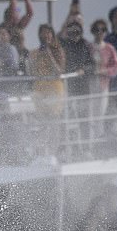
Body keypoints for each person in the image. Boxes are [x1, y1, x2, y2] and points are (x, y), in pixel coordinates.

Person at [27, 23, 66, 154]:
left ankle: (54, 149)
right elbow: (31, 72)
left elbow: (59, 71)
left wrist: (49, 54)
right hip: (39, 89)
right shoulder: (34, 53)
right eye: (43, 32)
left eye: (48, 32)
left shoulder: (58, 50)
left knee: (54, 119)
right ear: (39, 35)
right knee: (42, 120)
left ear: (52, 34)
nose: (46, 35)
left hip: (54, 88)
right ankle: (43, 150)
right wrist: (37, 56)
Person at [59, 17, 95, 152]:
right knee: (68, 120)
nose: (74, 35)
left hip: (83, 89)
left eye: (77, 32)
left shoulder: (86, 45)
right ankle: (71, 149)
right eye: (71, 32)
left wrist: (84, 70)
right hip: (68, 89)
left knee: (84, 120)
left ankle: (86, 149)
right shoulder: (63, 45)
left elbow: (93, 65)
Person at [88, 18, 117, 142]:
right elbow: (84, 63)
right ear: (93, 31)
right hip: (90, 86)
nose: (99, 32)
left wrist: (104, 72)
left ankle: (99, 140)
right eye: (97, 30)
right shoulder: (89, 47)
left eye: (102, 30)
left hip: (103, 85)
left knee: (100, 114)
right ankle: (91, 142)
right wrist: (89, 70)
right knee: (91, 115)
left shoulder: (109, 48)